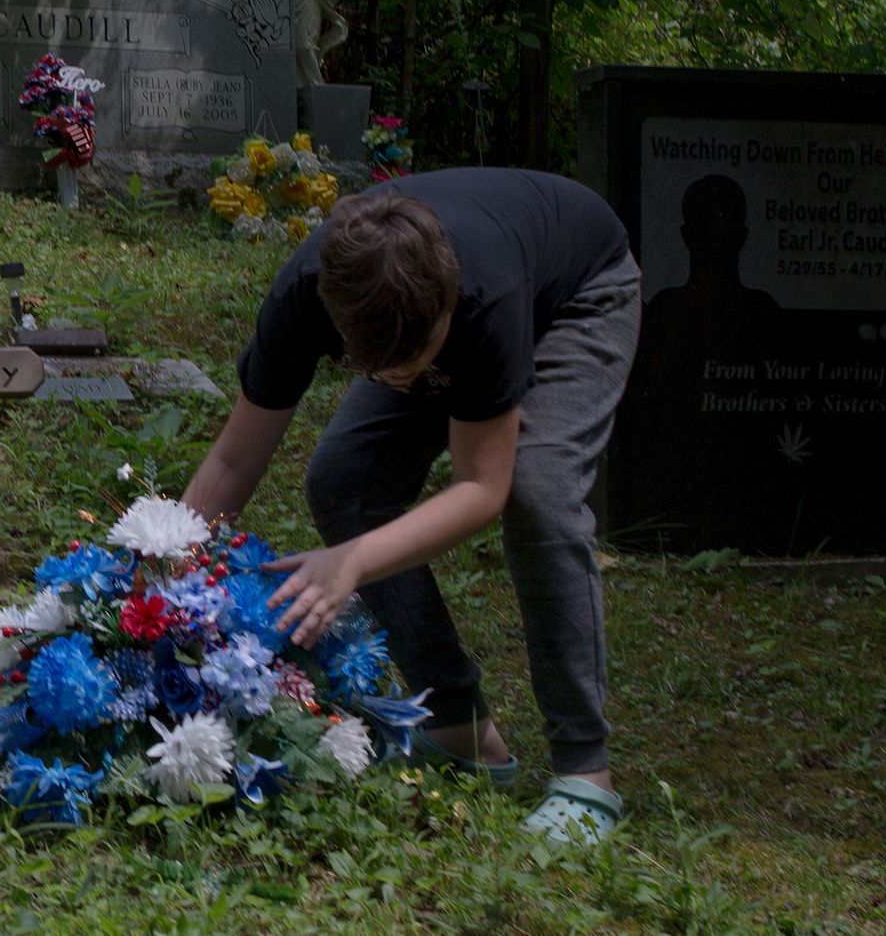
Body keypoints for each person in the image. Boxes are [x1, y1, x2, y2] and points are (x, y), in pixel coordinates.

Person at [181, 169, 641, 843]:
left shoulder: (485, 295)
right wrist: (159, 562)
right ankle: (458, 726)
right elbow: (231, 460)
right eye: (386, 370)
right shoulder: (307, 292)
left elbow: (483, 487)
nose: (408, 383)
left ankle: (584, 770)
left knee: (539, 490)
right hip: (456, 310)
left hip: (574, 293)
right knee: (344, 477)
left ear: (446, 305)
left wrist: (354, 560)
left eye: (420, 361)